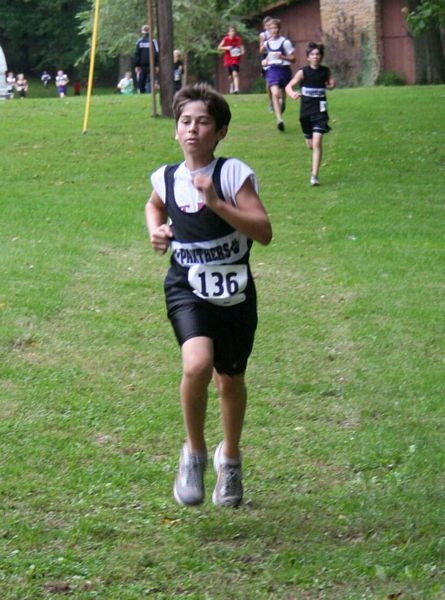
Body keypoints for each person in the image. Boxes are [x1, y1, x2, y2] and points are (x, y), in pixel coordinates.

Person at [145, 83, 272, 508]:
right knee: (197, 364)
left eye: (203, 122)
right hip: (187, 287)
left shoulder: (233, 174)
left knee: (230, 379)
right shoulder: (167, 177)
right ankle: (194, 453)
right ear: (175, 130)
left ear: (220, 132)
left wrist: (217, 203)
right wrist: (156, 230)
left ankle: (229, 458)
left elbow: (263, 232)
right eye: (185, 122)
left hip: (234, 294)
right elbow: (154, 205)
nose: (192, 129)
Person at [285, 41, 336, 186]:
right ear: (308, 57)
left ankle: (314, 176)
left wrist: (332, 84)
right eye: (312, 54)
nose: (315, 56)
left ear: (321, 56)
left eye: (318, 54)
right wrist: (292, 94)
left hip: (320, 112)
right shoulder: (303, 72)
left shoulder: (325, 71)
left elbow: (330, 83)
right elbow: (289, 86)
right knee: (311, 145)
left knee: (317, 142)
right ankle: (311, 146)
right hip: (305, 114)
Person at [261, 18, 295, 131]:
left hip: (284, 70)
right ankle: (279, 120)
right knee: (275, 93)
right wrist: (265, 61)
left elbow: (293, 59)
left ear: (279, 29)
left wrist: (283, 57)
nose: (273, 30)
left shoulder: (285, 42)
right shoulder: (267, 43)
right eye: (271, 28)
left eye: (275, 28)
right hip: (272, 70)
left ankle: (282, 104)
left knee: (282, 96)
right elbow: (267, 57)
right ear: (268, 30)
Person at [217, 26, 244, 94]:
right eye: (231, 31)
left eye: (233, 31)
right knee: (230, 76)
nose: (232, 33)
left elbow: (241, 46)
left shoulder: (238, 39)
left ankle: (236, 89)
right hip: (228, 58)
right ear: (228, 33)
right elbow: (219, 47)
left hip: (235, 58)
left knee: (235, 73)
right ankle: (231, 84)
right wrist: (227, 47)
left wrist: (242, 52)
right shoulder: (226, 39)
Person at [133, 25, 159, 94]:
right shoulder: (153, 41)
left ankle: (142, 91)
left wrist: (137, 65)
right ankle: (149, 92)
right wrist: (157, 64)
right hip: (150, 64)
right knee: (150, 79)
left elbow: (136, 54)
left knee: (142, 79)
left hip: (144, 65)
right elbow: (156, 53)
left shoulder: (140, 41)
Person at [259, 16, 273, 111]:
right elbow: (261, 50)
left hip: (276, 56)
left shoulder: (276, 32)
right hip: (266, 57)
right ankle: (271, 101)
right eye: (267, 25)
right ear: (264, 26)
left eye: (270, 25)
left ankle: (280, 99)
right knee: (268, 82)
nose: (269, 27)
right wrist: (267, 42)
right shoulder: (263, 35)